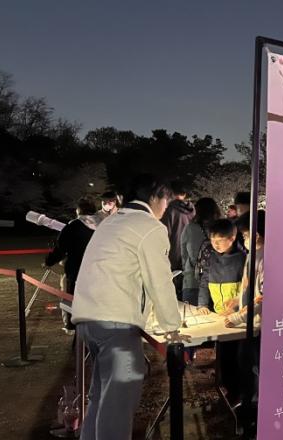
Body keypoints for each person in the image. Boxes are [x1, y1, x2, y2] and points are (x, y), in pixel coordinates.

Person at [72, 174, 185, 440]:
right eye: (166, 201)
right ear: (155, 196)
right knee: (118, 407)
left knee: (101, 398)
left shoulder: (112, 221)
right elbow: (160, 281)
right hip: (116, 324)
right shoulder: (148, 226)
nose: (166, 207)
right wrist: (172, 327)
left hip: (88, 319)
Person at [45, 197, 99, 333]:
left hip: (76, 267)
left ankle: (72, 325)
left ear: (79, 210)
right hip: (97, 268)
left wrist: (48, 261)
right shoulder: (103, 225)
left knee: (72, 297)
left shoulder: (73, 226)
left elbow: (61, 248)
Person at [196, 219, 247, 315]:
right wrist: (202, 305)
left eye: (220, 240)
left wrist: (236, 309)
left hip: (238, 314)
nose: (216, 244)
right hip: (217, 313)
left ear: (232, 238)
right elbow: (204, 282)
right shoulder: (210, 257)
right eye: (212, 240)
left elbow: (247, 289)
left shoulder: (242, 259)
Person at [225, 209, 265, 328]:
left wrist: (239, 318)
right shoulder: (251, 255)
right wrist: (238, 300)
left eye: (245, 236)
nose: (244, 240)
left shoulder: (266, 259)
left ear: (256, 235)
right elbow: (249, 287)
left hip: (260, 325)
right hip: (251, 321)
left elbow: (263, 297)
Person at [180, 197, 220, 306]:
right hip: (217, 282)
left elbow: (184, 254)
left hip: (192, 280)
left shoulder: (190, 228)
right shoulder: (220, 229)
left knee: (191, 313)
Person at [161, 181, 195, 297]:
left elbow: (164, 233)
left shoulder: (169, 209)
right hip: (189, 253)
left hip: (173, 254)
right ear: (184, 194)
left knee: (172, 291)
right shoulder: (192, 209)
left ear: (170, 192)